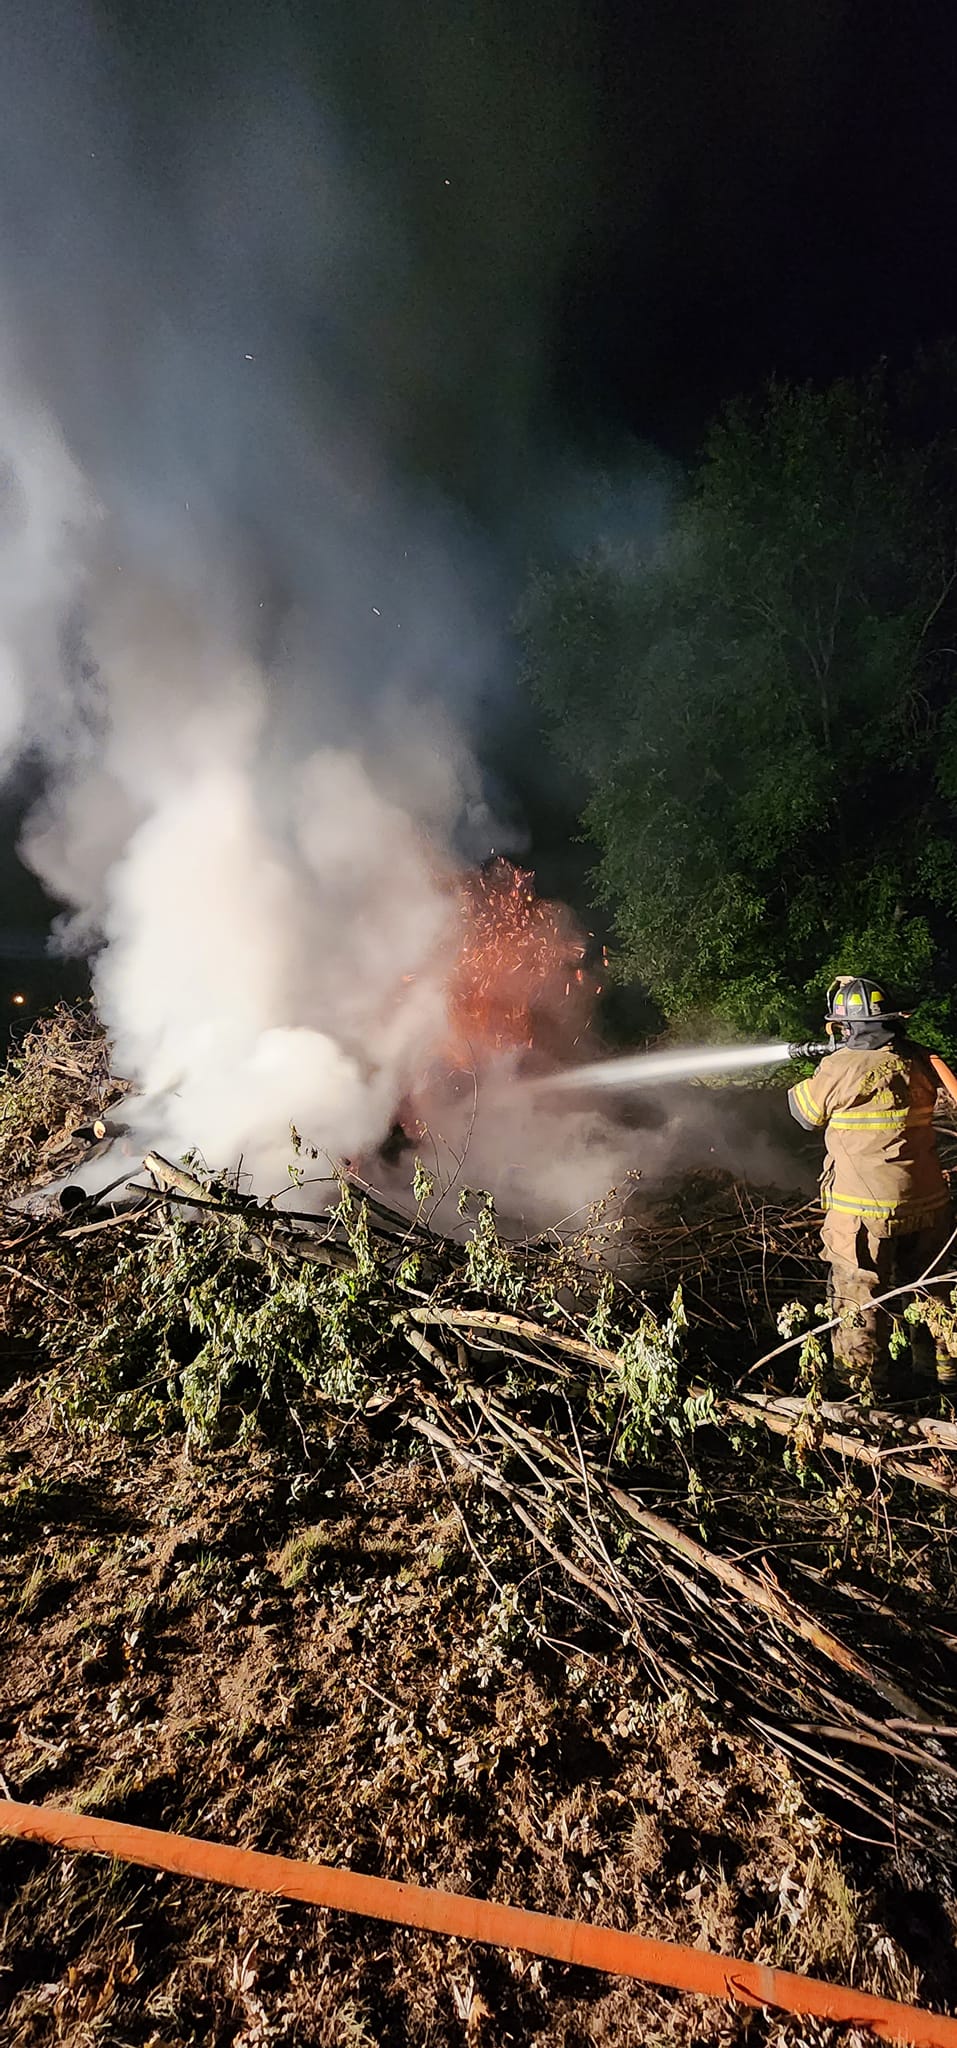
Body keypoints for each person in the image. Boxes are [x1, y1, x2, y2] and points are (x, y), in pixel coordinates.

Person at [787, 976, 957, 1399]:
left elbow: (804, 1112)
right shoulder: (918, 1060)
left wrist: (827, 1064)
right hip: (930, 1204)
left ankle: (862, 1400)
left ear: (848, 1027)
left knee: (858, 1303)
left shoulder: (838, 1067)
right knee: (932, 1290)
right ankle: (943, 1381)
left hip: (864, 1215)